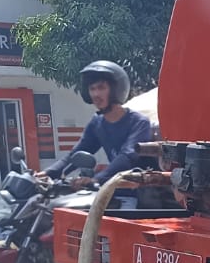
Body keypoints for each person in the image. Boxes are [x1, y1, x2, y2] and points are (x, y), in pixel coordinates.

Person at [41, 60, 155, 191]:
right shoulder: (98, 122)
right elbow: (78, 153)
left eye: (101, 87)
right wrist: (48, 173)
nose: (95, 94)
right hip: (112, 190)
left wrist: (97, 179)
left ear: (116, 90)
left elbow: (127, 157)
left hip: (143, 196)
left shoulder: (139, 122)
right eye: (92, 89)